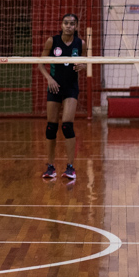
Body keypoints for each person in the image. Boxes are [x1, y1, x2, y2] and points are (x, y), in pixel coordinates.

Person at [38, 13, 86, 181]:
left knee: (67, 125)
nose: (68, 26)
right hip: (54, 87)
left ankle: (70, 167)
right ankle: (50, 166)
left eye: (72, 24)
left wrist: (83, 66)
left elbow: (86, 63)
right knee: (51, 127)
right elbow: (40, 63)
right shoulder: (52, 41)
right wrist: (49, 79)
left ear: (76, 26)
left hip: (71, 88)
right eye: (66, 23)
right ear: (61, 25)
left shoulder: (81, 44)